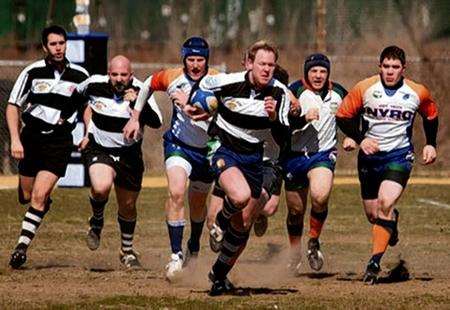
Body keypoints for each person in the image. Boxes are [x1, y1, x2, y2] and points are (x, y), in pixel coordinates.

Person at [184, 40, 293, 296]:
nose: (267, 69)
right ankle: (220, 220)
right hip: (223, 147)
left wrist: (274, 117)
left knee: (242, 225)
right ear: (249, 63)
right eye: (262, 64)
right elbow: (201, 86)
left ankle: (218, 275)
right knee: (240, 196)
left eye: (271, 65)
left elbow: (284, 138)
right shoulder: (228, 82)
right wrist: (196, 102)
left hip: (253, 156)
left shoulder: (279, 94)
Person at [336, 45, 438, 284]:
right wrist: (361, 140)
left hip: (399, 155)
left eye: (395, 67)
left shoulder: (417, 92)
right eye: (386, 66)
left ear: (404, 68)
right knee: (374, 215)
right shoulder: (364, 88)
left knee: (385, 202)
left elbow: (431, 115)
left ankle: (374, 263)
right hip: (370, 158)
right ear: (379, 67)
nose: (390, 71)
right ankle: (391, 223)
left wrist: (431, 143)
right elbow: (343, 116)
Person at [123, 37, 218, 280]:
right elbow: (146, 85)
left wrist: (197, 110)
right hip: (179, 146)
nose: (196, 65)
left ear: (207, 60)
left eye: (200, 60)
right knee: (176, 192)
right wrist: (135, 117)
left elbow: (227, 114)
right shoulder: (172, 77)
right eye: (191, 59)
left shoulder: (217, 81)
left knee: (197, 205)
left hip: (206, 151)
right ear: (184, 59)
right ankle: (175, 256)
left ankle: (194, 243)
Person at [7, 25, 89, 269]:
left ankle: (21, 248)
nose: (58, 48)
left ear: (66, 44)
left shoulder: (80, 75)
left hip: (59, 141)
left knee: (40, 196)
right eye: (53, 44)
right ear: (45, 47)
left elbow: (87, 106)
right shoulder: (31, 72)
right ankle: (39, 204)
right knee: (27, 196)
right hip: (31, 138)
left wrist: (88, 132)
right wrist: (15, 139)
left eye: (61, 43)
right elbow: (13, 106)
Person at [76, 55, 162, 268]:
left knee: (128, 205)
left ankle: (127, 251)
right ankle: (97, 220)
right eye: (114, 74)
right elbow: (75, 98)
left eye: (124, 74)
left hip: (129, 154)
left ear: (131, 76)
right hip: (100, 148)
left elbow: (156, 121)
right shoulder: (94, 84)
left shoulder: (142, 90)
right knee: (100, 187)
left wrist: (136, 101)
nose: (119, 78)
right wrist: (85, 130)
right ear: (108, 74)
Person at [282, 53, 348, 273]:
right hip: (294, 156)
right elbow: (282, 124)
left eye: (322, 71)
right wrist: (302, 118)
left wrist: (354, 136)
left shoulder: (338, 92)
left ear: (328, 72)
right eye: (314, 71)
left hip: (322, 155)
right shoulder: (293, 91)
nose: (318, 75)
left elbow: (351, 116)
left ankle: (313, 241)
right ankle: (294, 254)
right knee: (295, 211)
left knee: (320, 196)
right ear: (306, 72)